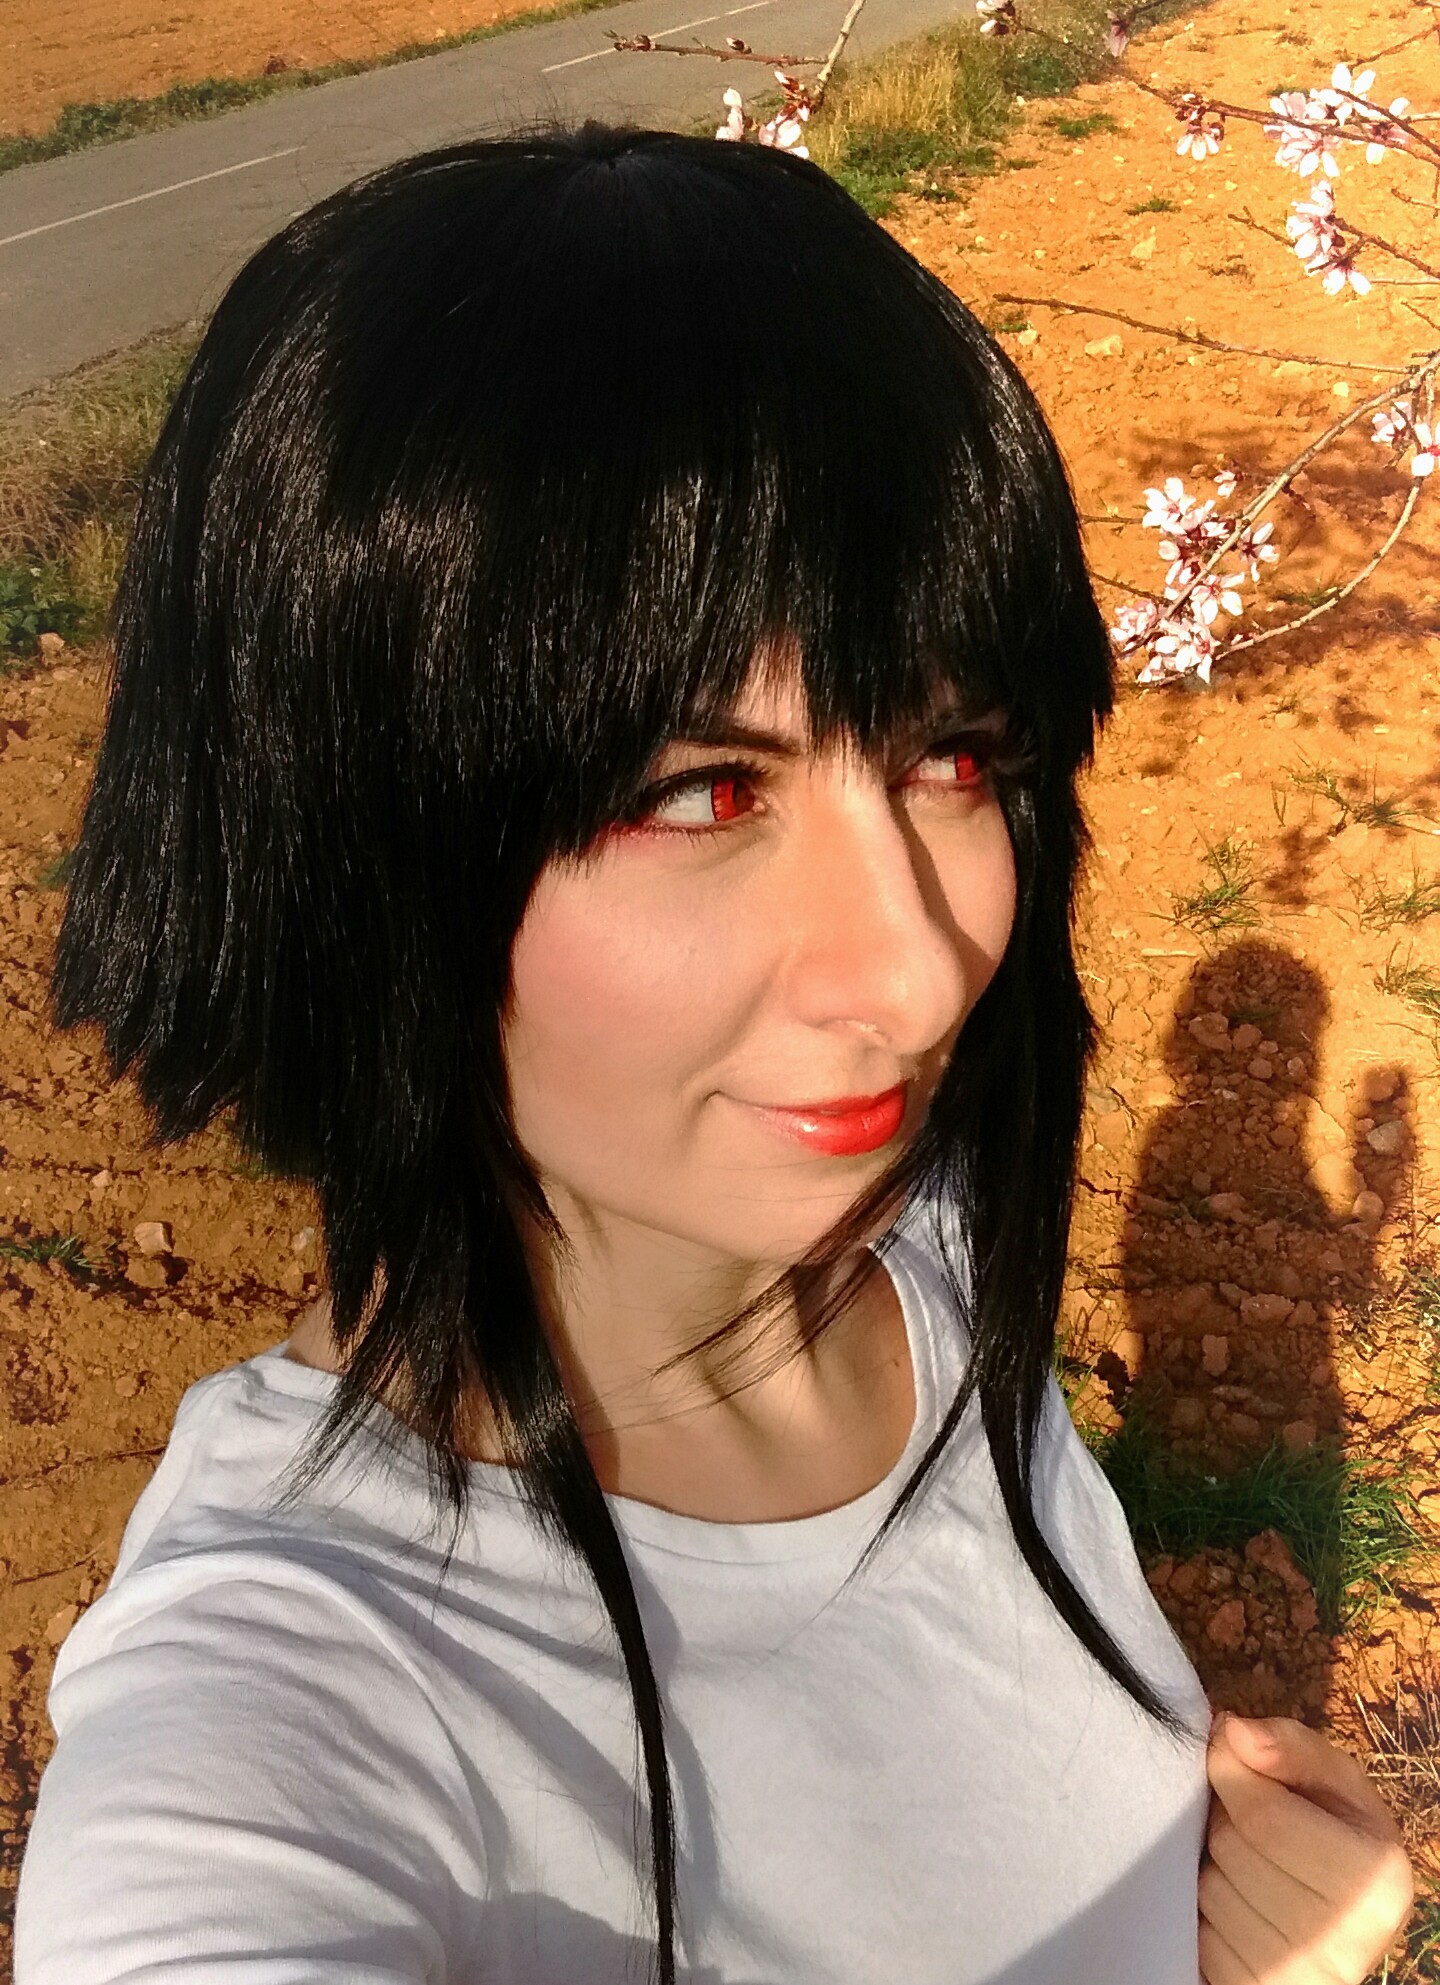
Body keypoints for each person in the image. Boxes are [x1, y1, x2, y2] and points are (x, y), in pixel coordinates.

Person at [13, 120, 1413, 1985]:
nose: (916, 969)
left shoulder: (919, 1255)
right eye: (697, 790)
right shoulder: (290, 1717)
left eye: (951, 755)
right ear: (349, 842)